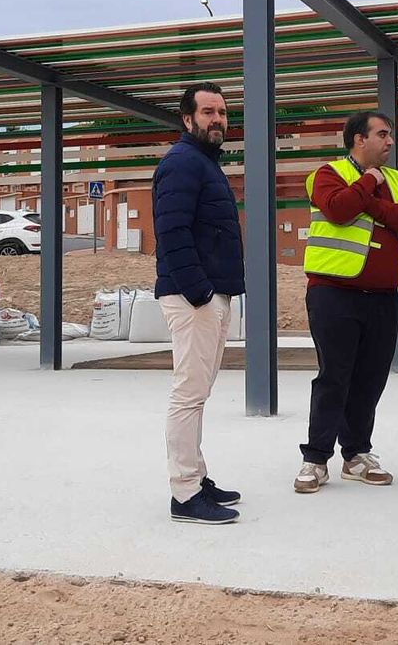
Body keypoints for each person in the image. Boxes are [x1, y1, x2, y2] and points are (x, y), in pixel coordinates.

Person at [294, 111, 398, 495]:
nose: (390, 141)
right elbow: (337, 209)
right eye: (382, 134)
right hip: (334, 294)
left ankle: (356, 455)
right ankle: (316, 459)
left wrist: (374, 205)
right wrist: (368, 182)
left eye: (391, 135)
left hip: (383, 298)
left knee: (369, 380)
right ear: (358, 140)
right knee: (334, 377)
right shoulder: (328, 174)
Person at [153, 82, 245, 525]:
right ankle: (185, 493)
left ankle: (197, 477)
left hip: (209, 295)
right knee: (188, 394)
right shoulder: (183, 163)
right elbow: (171, 233)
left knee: (198, 393)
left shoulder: (204, 163)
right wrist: (200, 292)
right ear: (187, 119)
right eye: (208, 112)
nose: (218, 120)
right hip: (193, 298)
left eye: (223, 113)